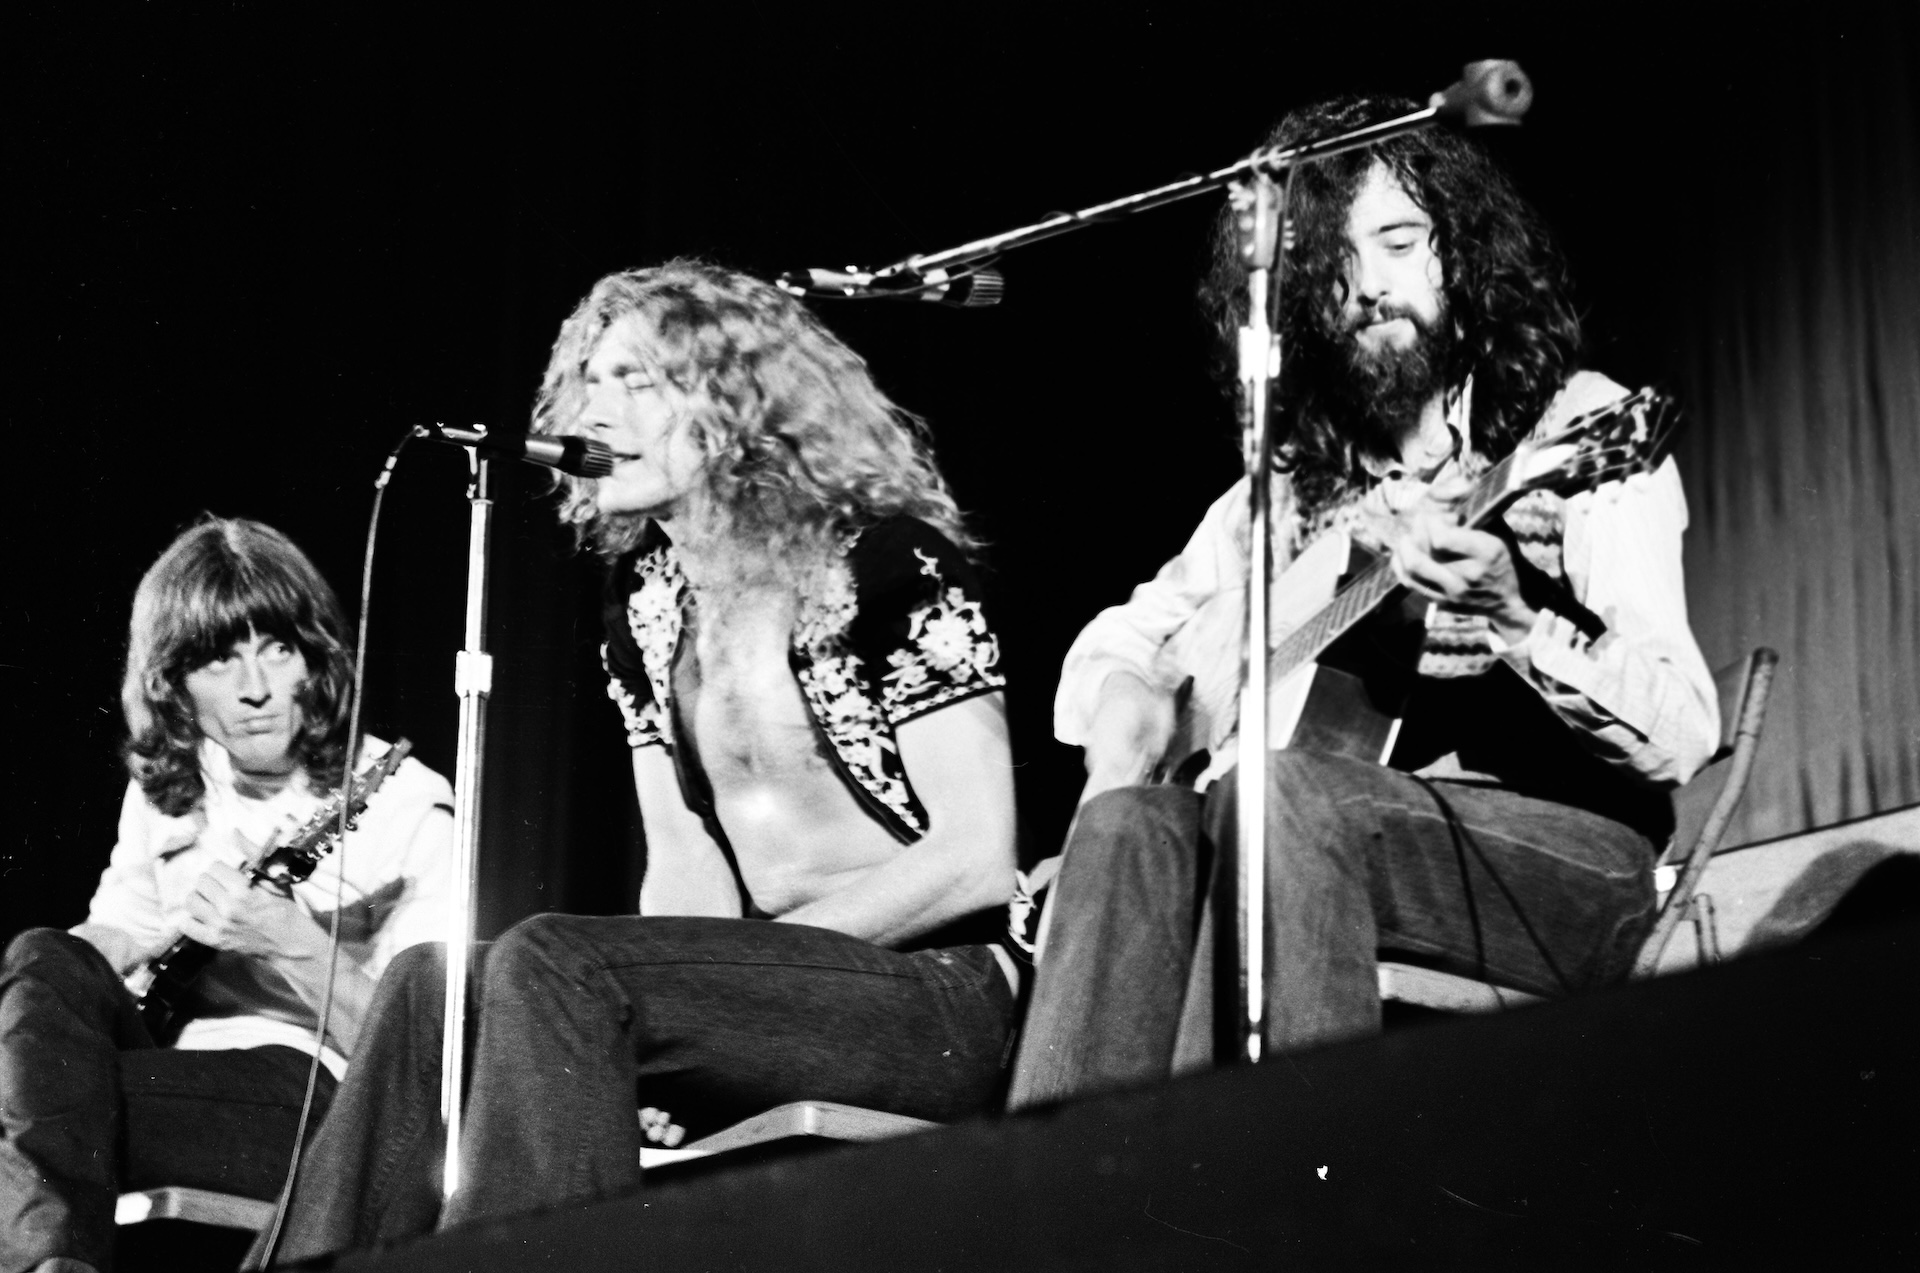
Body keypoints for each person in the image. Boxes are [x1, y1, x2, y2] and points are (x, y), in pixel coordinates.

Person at [261, 260, 1021, 1261]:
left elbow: (975, 854)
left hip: (938, 999)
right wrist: (679, 1019)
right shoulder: (649, 611)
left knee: (553, 960)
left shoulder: (885, 559)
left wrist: (704, 990)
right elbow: (686, 875)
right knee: (427, 987)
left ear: (736, 399)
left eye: (639, 381)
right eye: (587, 378)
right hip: (769, 996)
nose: (596, 409)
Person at [1008, 96, 1721, 1107]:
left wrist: (1515, 620)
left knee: (1285, 796)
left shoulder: (1575, 428)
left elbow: (1682, 730)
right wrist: (1130, 705)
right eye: (1330, 263)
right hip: (1320, 839)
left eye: (1398, 241)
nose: (1368, 286)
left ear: (1459, 253)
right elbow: (1115, 651)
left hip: (1568, 864)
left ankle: (1283, 1197)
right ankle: (1058, 1208)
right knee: (1129, 826)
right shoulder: (1293, 493)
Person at [0, 518, 454, 1273]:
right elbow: (118, 926)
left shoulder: (408, 802)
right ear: (171, 683)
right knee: (44, 955)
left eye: (277, 649)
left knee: (28, 1111)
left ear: (319, 657)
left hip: (309, 1100)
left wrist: (290, 939)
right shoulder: (176, 784)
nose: (254, 689)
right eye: (218, 659)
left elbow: (429, 1062)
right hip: (163, 1069)